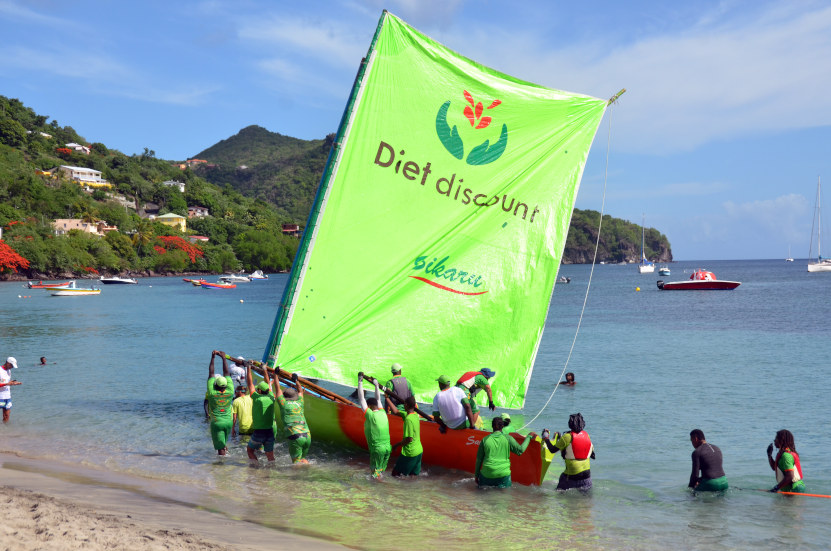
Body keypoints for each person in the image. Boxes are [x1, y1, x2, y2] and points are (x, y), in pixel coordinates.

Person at [474, 417, 537, 488]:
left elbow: (479, 459)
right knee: (504, 497)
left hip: (487, 474)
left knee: (483, 496)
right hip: (503, 475)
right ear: (502, 426)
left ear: (492, 426)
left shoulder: (485, 440)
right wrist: (528, 437)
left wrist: (476, 476)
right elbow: (520, 450)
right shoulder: (508, 438)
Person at [542, 413, 595, 491]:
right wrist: (560, 438)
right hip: (587, 477)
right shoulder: (586, 435)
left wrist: (546, 438)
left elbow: (552, 450)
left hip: (571, 477)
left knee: (559, 495)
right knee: (586, 501)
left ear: (570, 424)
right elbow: (592, 455)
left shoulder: (567, 437)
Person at [358, 374, 392, 478]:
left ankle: (376, 492)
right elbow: (378, 399)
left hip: (378, 449)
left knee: (375, 476)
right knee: (380, 473)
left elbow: (361, 399)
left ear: (369, 407)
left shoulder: (370, 415)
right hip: (387, 448)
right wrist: (376, 385)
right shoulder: (383, 413)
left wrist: (360, 381)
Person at [275, 370, 311, 464]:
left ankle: (296, 479)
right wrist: (296, 380)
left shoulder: (283, 404)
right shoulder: (300, 402)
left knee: (296, 464)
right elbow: (300, 391)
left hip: (296, 436)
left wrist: (276, 375)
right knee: (303, 459)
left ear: (285, 397)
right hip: (307, 435)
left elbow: (277, 389)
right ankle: (307, 476)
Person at [246, 361, 276, 463]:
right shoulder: (272, 397)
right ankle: (271, 471)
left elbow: (250, 383)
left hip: (259, 431)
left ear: (259, 391)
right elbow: (268, 384)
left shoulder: (257, 399)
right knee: (270, 455)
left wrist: (248, 368)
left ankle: (255, 470)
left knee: (250, 450)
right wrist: (264, 369)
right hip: (270, 431)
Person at [206, 351, 234, 455]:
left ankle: (222, 466)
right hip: (228, 422)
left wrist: (212, 358)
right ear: (226, 385)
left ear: (215, 385)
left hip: (217, 423)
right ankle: (226, 458)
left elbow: (211, 374)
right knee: (224, 443)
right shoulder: (230, 391)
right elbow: (226, 373)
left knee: (220, 448)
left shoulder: (212, 393)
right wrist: (223, 358)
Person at [391, 396, 423, 477]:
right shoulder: (415, 415)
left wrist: (396, 445)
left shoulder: (408, 419)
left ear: (406, 405)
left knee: (395, 474)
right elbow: (396, 411)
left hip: (410, 453)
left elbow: (409, 439)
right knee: (412, 476)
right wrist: (387, 398)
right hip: (419, 451)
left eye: (404, 404)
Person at [0, 357, 20, 423]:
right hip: (0, 397)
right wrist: (7, 383)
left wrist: (13, 383)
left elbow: (6, 382)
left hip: (8, 397)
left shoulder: (9, 371)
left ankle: (6, 431)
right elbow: (6, 383)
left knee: (7, 416)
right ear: (8, 363)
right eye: (12, 365)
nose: (12, 367)